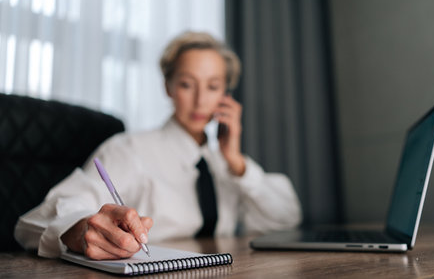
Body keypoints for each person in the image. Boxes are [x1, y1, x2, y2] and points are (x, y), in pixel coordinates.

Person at [14, 31, 301, 260]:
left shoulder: (224, 164)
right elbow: (36, 220)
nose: (201, 100)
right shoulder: (128, 150)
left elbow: (285, 219)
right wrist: (80, 231)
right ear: (168, 87)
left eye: (213, 86)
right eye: (188, 84)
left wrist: (236, 161)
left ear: (225, 94)